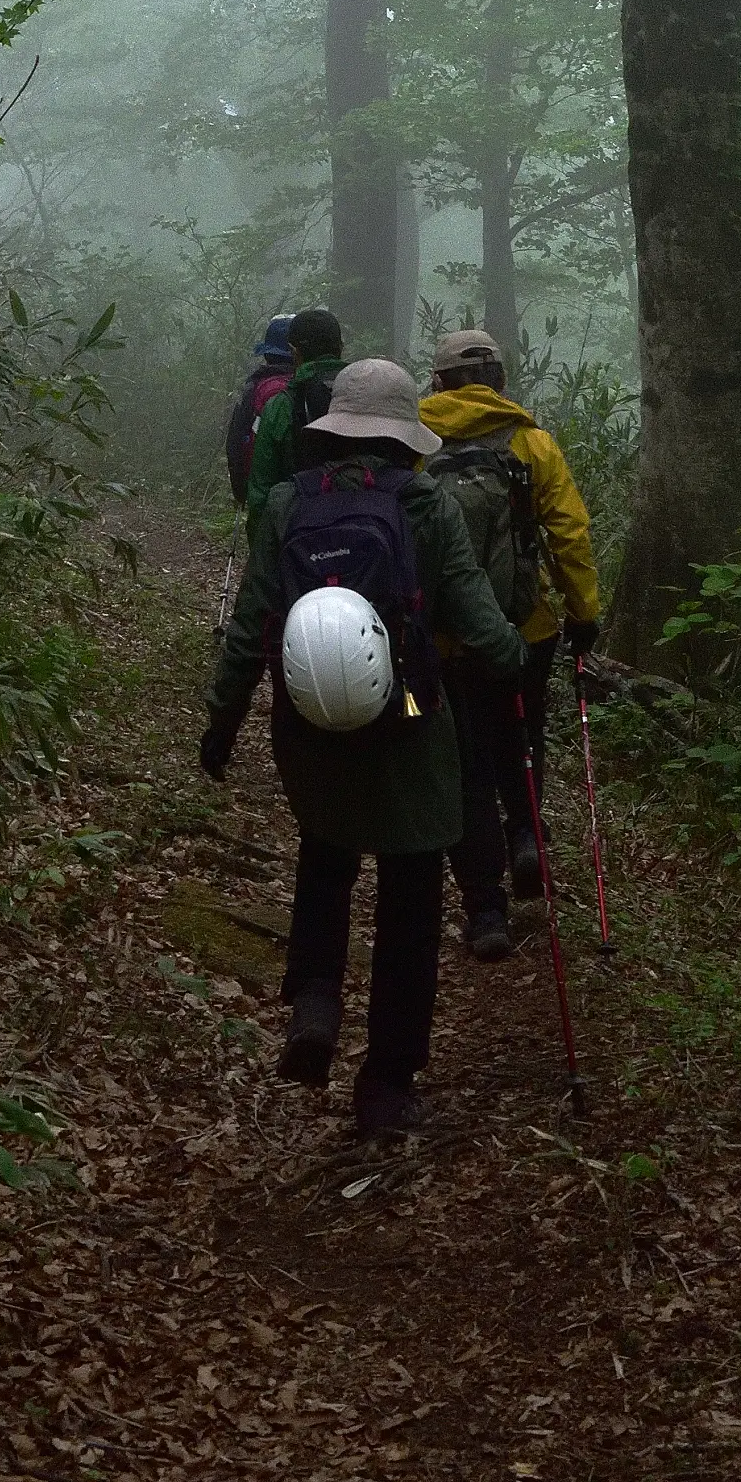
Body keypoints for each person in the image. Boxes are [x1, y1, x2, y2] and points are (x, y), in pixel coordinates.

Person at [199, 355, 527, 1138]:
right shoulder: (425, 504)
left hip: (310, 727)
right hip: (411, 722)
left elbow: (250, 625)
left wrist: (221, 720)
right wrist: (517, 661)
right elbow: (480, 621)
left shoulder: (285, 503)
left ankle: (314, 1000)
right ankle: (385, 1082)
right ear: (402, 435)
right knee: (410, 905)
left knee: (325, 859)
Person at [418, 328, 602, 964]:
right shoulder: (532, 443)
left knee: (464, 764)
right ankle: (525, 834)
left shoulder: (417, 444)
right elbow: (569, 535)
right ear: (498, 379)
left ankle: (485, 910)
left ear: (438, 382)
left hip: (446, 640)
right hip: (527, 629)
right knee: (521, 737)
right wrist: (585, 613)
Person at [242, 304, 344, 515]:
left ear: (295, 352)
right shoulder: (369, 393)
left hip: (301, 533)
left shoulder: (280, 405)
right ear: (341, 348)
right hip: (370, 534)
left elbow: (263, 491)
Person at [222, 314, 296, 503]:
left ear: (266, 353)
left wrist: (241, 493)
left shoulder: (254, 388)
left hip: (262, 491)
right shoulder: (311, 387)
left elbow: (235, 442)